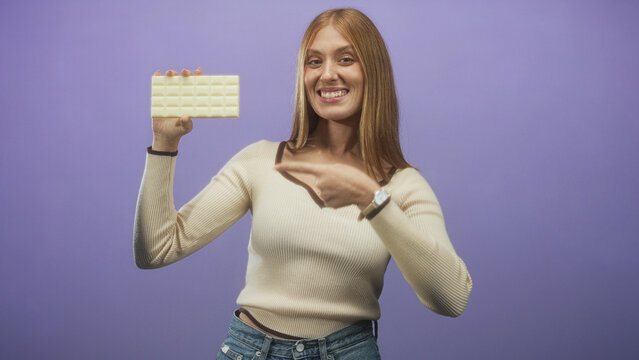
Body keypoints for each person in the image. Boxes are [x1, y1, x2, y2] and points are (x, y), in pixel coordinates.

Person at [134, 8, 472, 360]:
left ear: (374, 71)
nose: (327, 74)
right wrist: (164, 144)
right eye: (314, 62)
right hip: (249, 351)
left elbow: (450, 299)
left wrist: (371, 199)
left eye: (346, 59)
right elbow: (155, 250)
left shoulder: (403, 187)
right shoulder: (260, 162)